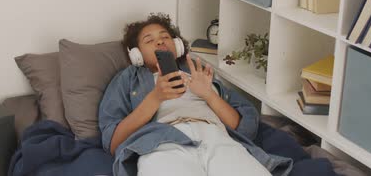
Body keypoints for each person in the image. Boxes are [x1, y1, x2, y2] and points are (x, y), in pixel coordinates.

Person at [98, 13, 293, 176]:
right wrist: (155, 98)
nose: (159, 41)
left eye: (165, 37)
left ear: (177, 44)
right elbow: (114, 143)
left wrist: (209, 95)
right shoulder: (128, 79)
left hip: (216, 137)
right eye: (149, 40)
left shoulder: (200, 73)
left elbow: (244, 129)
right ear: (136, 54)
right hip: (161, 142)